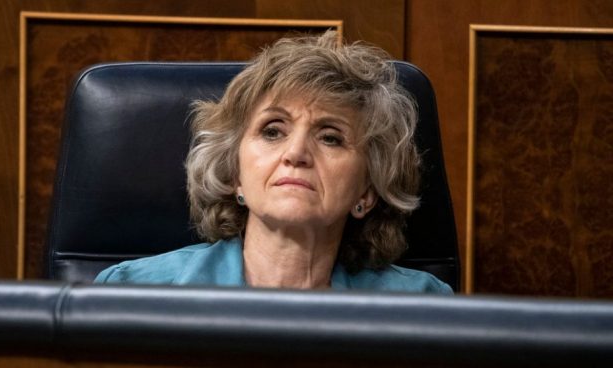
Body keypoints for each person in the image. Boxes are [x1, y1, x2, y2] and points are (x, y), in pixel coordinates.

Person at [94, 30, 452, 294]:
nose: (295, 153)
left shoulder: (421, 306)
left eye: (330, 137)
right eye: (272, 131)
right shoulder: (133, 292)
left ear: (368, 190)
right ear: (234, 174)